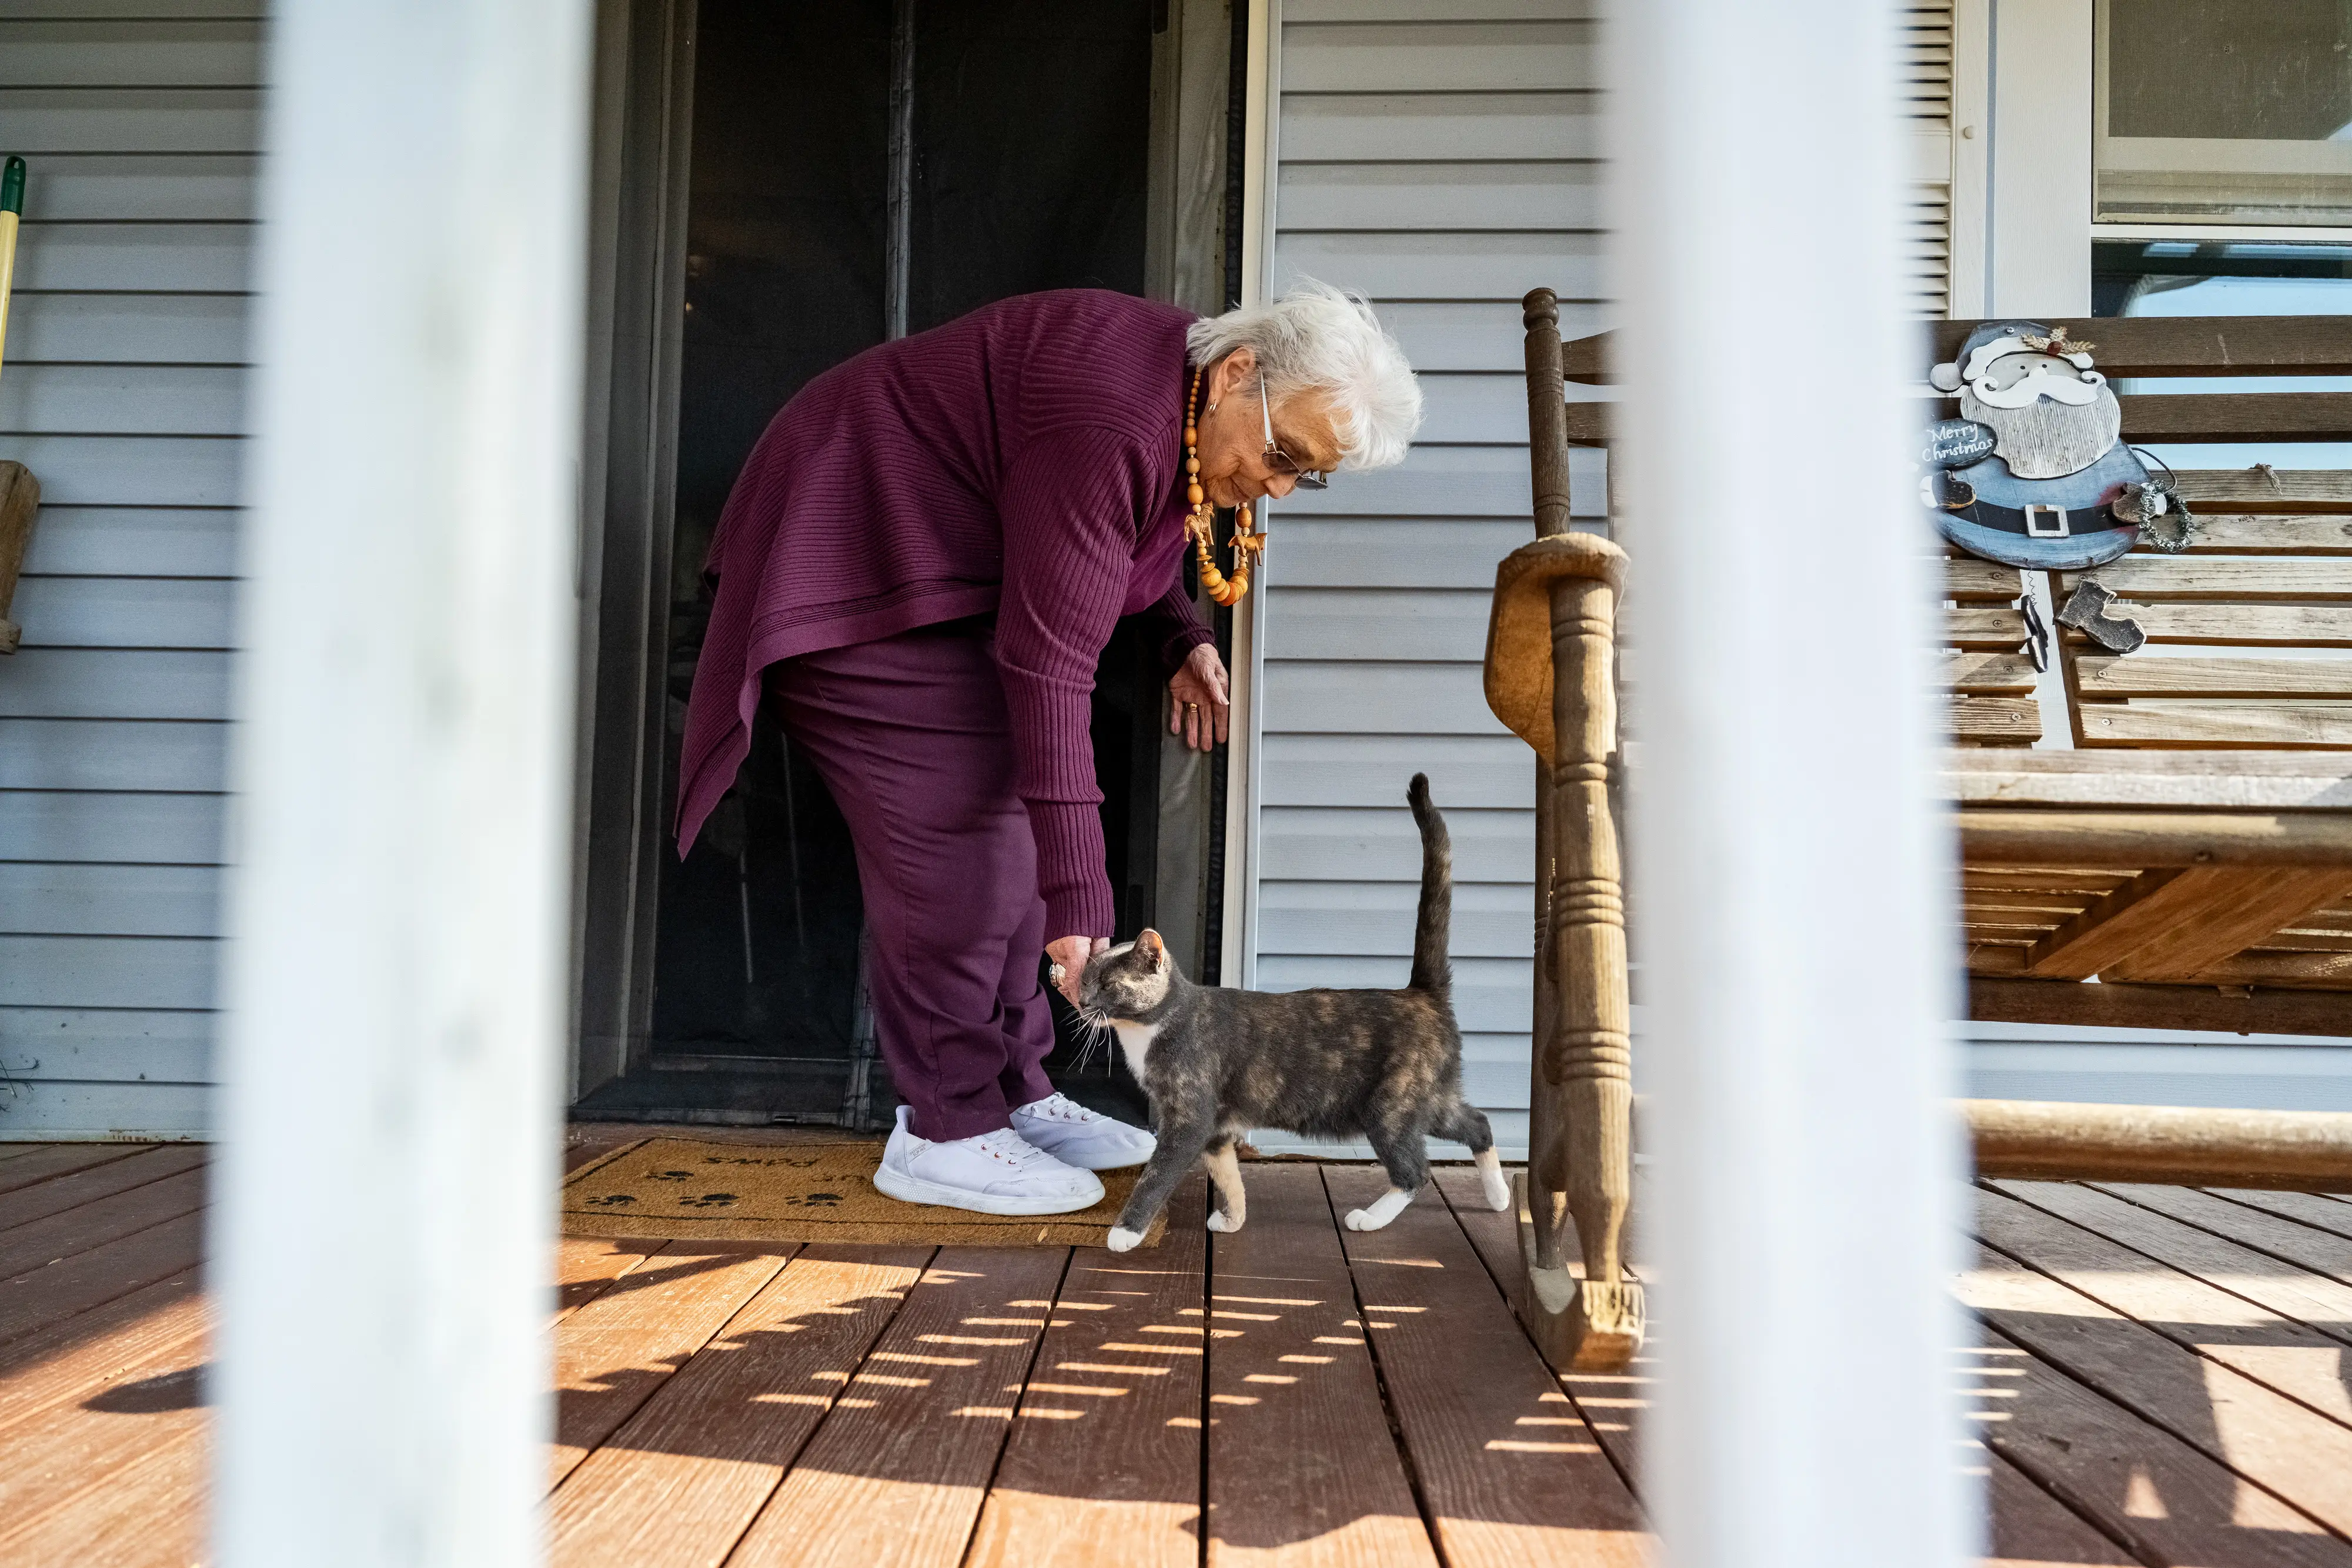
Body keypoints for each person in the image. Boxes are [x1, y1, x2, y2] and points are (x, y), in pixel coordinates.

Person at [676, 281, 1422, 1215]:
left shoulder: (1187, 399)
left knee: (1016, 823)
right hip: (842, 550)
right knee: (960, 833)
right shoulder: (1114, 413)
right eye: (1283, 455)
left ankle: (1016, 1093)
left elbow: (1113, 539)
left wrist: (1179, 634)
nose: (1277, 487)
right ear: (1241, 373)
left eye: (1303, 476)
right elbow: (1048, 663)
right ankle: (943, 1127)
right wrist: (1084, 910)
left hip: (929, 577)